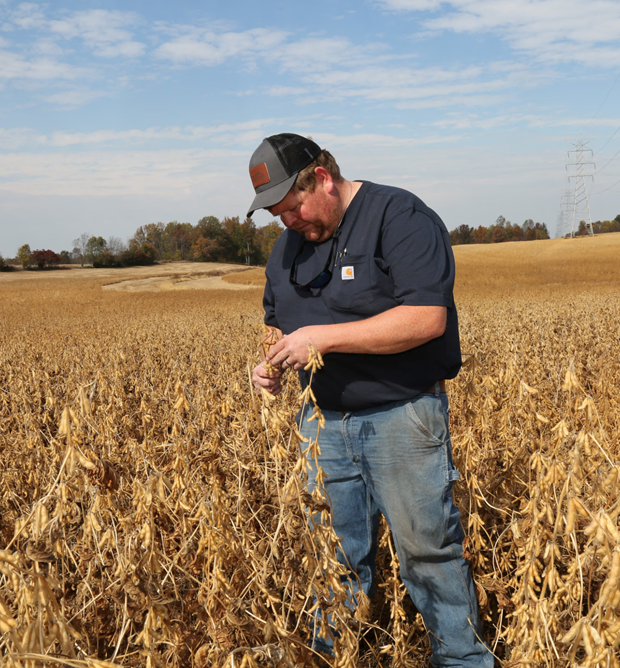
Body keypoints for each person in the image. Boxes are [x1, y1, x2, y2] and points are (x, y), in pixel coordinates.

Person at [248, 133, 492, 667]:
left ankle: (461, 661)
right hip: (322, 426)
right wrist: (267, 365)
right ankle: (334, 658)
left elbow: (427, 318)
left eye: (293, 208)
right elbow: (276, 321)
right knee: (332, 558)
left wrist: (324, 338)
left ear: (324, 179)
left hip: (401, 417)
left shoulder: (399, 217)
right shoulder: (290, 243)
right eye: (278, 216)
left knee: (428, 554)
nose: (289, 223)